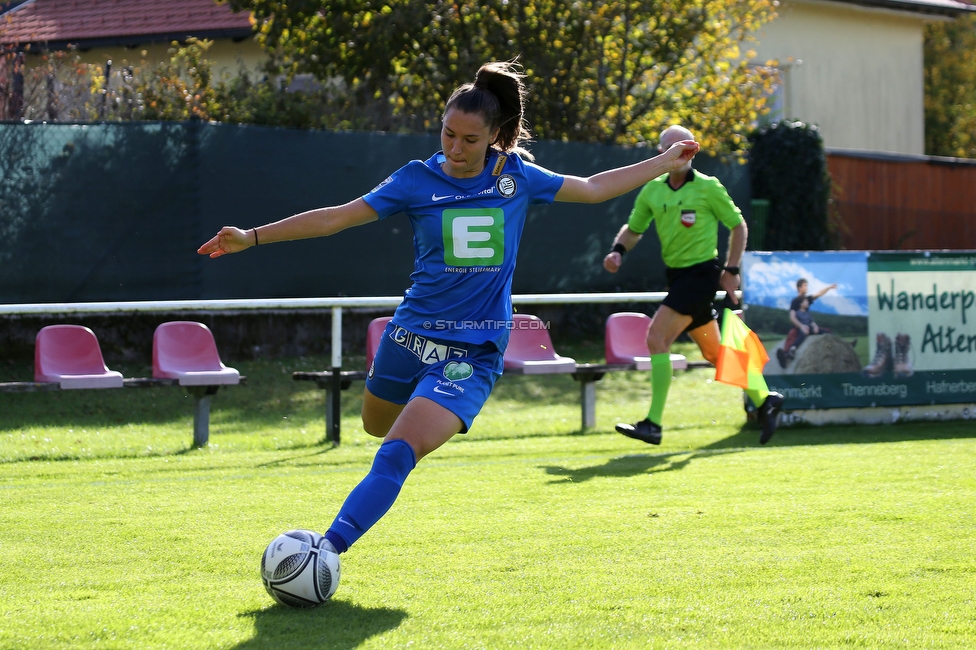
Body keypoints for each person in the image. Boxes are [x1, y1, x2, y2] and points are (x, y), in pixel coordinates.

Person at [198, 62, 699, 565]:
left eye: (470, 140)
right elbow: (336, 218)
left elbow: (592, 188)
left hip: (471, 353)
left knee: (395, 452)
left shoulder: (518, 176)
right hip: (408, 338)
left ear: (495, 137)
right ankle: (367, 485)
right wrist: (253, 237)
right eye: (448, 134)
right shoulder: (416, 179)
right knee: (376, 426)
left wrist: (666, 162)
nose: (456, 149)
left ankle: (328, 549)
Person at [602, 124, 783, 446]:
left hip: (701, 276)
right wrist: (617, 252)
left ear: (693, 151)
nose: (681, 152)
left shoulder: (709, 187)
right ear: (662, 153)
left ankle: (653, 424)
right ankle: (765, 398)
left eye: (686, 147)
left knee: (656, 338)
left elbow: (738, 226)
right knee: (715, 354)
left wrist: (731, 268)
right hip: (678, 278)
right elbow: (634, 228)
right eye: (673, 147)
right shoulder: (652, 190)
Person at [777, 278, 837, 367]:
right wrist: (801, 326)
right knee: (792, 339)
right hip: (798, 327)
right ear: (799, 288)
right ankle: (785, 356)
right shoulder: (795, 301)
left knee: (827, 331)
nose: (807, 287)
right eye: (805, 285)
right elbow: (792, 317)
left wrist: (829, 287)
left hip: (808, 325)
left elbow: (819, 293)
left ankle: (845, 345)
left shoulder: (807, 299)